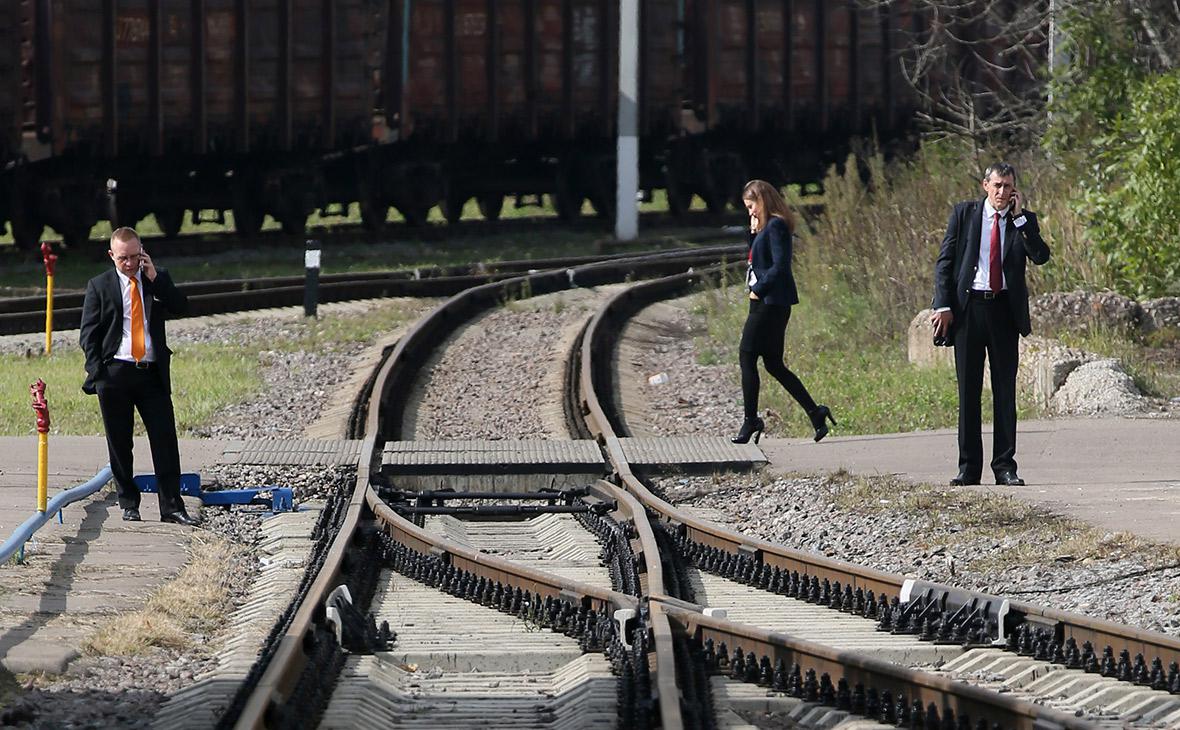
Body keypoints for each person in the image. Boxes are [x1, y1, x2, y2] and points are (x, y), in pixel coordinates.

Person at [931, 162, 1050, 487]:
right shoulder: (965, 214)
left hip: (1003, 312)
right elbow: (945, 262)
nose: (1002, 192)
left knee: (1004, 391)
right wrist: (942, 304)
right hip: (969, 310)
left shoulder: (1022, 221)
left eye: (1008, 186)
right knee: (968, 392)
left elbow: (1040, 256)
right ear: (985, 185)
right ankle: (968, 469)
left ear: (1015, 190)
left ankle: (1005, 467)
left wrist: (1021, 218)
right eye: (997, 185)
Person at [80, 227, 197, 525]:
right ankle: (128, 503)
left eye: (135, 256)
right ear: (111, 256)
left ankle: (171, 506)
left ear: (143, 252)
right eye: (123, 259)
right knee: (120, 442)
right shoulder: (99, 286)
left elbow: (181, 307)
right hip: (115, 372)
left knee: (165, 440)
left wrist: (157, 279)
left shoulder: (155, 278)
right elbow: (88, 335)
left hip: (150, 372)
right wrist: (98, 373)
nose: (130, 264)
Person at [731, 180, 835, 445]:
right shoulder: (764, 228)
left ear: (763, 201)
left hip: (771, 302)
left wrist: (759, 288)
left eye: (752, 206)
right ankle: (816, 413)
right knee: (774, 364)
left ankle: (750, 420)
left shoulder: (777, 225)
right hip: (765, 302)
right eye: (747, 208)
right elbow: (755, 259)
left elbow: (780, 266)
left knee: (746, 355)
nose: (750, 212)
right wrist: (753, 233)